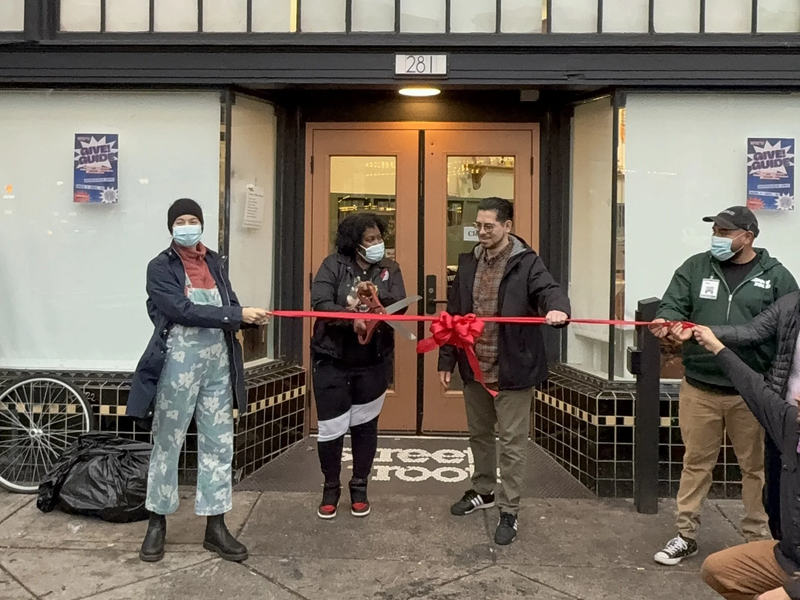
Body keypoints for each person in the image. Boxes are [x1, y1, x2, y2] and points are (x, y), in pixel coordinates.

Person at [650, 206, 798, 566]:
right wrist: (667, 322)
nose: (716, 238)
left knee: (756, 469)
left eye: (724, 232)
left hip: (752, 392)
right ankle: (685, 534)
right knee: (695, 463)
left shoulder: (777, 277)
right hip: (699, 386)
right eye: (715, 231)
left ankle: (759, 541)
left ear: (747, 237)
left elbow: (781, 332)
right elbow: (672, 305)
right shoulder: (695, 267)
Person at [128, 198, 269, 563]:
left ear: (202, 224)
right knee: (167, 442)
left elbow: (228, 304)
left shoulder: (215, 262)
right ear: (171, 227)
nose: (188, 226)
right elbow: (181, 310)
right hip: (177, 363)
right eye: (181, 220)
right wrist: (235, 313)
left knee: (219, 444)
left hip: (218, 365)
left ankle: (216, 526)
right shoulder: (160, 267)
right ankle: (156, 522)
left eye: (193, 219)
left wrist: (249, 318)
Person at [438, 197, 570, 546]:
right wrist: (446, 359)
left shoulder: (526, 262)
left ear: (507, 226)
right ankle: (483, 490)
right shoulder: (468, 261)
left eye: (489, 226)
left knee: (512, 443)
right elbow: (454, 313)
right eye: (478, 226)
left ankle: (509, 508)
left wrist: (558, 310)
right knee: (479, 435)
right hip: (474, 366)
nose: (481, 232)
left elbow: (549, 290)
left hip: (513, 368)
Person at [692, 325, 800, 600]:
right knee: (718, 570)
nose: (797, 397)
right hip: (789, 558)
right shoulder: (791, 425)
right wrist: (715, 346)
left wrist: (790, 592)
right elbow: (755, 389)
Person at [310, 213, 407, 519]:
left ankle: (360, 487)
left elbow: (400, 305)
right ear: (354, 243)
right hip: (332, 359)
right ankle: (330, 487)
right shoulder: (332, 265)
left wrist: (375, 302)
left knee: (365, 426)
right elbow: (320, 303)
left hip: (373, 361)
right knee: (331, 428)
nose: (377, 243)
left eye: (379, 238)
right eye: (369, 239)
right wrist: (351, 317)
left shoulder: (390, 268)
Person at [705, 288, 800, 542]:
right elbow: (752, 331)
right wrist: (706, 333)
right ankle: (782, 550)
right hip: (783, 419)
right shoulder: (790, 304)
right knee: (775, 497)